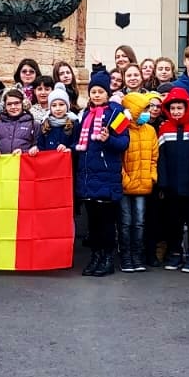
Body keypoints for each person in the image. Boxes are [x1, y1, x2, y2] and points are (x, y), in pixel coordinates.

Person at [74, 81, 130, 277]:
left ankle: (107, 258)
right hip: (88, 177)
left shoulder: (116, 115)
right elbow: (78, 142)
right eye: (93, 92)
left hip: (106, 176)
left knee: (106, 222)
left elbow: (124, 142)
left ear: (108, 93)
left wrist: (109, 140)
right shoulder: (85, 115)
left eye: (100, 92)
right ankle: (96, 256)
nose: (96, 95)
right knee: (94, 223)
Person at [155, 87, 189, 272]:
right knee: (173, 222)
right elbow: (160, 158)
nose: (176, 111)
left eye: (180, 108)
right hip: (171, 187)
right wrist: (163, 182)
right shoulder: (164, 130)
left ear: (187, 108)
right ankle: (175, 253)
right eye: (173, 108)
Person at [116, 91, 160, 273]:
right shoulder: (120, 128)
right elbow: (116, 156)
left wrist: (152, 176)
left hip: (143, 185)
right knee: (125, 222)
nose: (147, 112)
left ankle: (138, 255)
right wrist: (124, 179)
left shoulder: (150, 130)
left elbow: (154, 157)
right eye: (143, 109)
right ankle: (126, 257)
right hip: (126, 185)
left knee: (140, 222)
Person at [0, 88, 39, 157]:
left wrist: (25, 152)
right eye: (9, 104)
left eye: (16, 103)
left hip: (23, 164)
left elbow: (38, 147)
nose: (13, 107)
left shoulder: (33, 124)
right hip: (2, 165)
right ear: (4, 106)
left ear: (23, 104)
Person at [38, 87, 78, 154]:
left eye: (61, 104)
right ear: (50, 108)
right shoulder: (44, 125)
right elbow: (40, 146)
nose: (58, 108)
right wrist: (36, 148)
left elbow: (77, 143)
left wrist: (69, 148)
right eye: (54, 105)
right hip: (50, 162)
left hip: (68, 162)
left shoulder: (74, 124)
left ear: (67, 106)